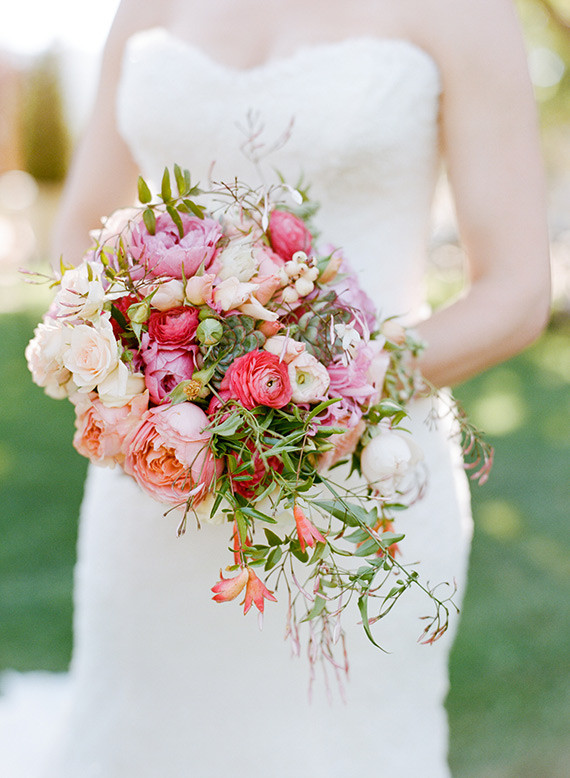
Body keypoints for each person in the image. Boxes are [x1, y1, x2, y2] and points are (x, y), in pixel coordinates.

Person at [1, 0, 551, 776]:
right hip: (164, 477)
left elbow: (518, 291)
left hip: (360, 480)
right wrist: (148, 365)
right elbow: (83, 223)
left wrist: (331, 390)